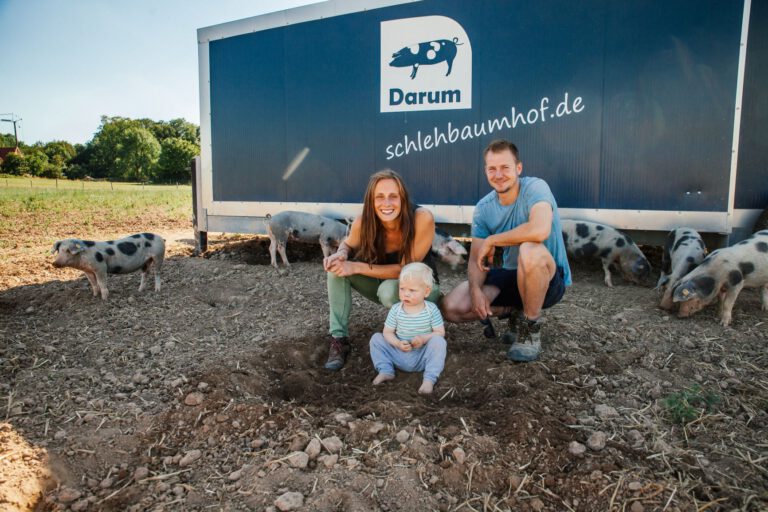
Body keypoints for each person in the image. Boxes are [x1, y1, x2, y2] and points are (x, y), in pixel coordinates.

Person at [441, 139, 571, 362]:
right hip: (513, 277)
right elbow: (476, 260)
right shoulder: (484, 208)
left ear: (518, 168)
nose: (498, 174)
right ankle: (514, 311)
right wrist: (475, 289)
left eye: (505, 167)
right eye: (492, 168)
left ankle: (530, 327)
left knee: (529, 250)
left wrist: (494, 240)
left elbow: (539, 230)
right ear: (485, 171)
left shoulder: (535, 187)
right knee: (452, 306)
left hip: (548, 278)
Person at [323, 169, 440, 371]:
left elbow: (406, 270)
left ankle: (418, 332)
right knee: (336, 270)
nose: (387, 203)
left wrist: (356, 266)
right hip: (385, 286)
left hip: (423, 289)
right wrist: (341, 254)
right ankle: (339, 339)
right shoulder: (364, 222)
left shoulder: (421, 217)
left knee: (388, 290)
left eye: (393, 196)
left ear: (402, 198)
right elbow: (348, 244)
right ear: (371, 201)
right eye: (380, 197)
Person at [369, 262, 446, 395]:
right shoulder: (396, 309)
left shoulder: (431, 310)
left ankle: (429, 379)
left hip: (422, 356)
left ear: (426, 291)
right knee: (376, 339)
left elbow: (440, 333)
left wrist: (423, 338)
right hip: (398, 354)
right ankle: (386, 370)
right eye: (402, 289)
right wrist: (397, 343)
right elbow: (387, 332)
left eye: (412, 290)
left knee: (439, 342)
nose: (406, 294)